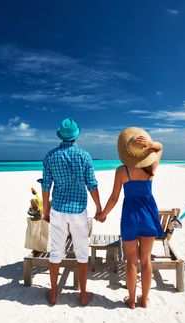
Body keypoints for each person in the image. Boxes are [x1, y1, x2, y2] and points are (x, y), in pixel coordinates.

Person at [96, 127, 163, 309]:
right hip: (148, 216)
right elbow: (160, 148)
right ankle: (144, 300)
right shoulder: (150, 168)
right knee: (146, 260)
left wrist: (103, 214)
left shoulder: (122, 171)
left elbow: (114, 198)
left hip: (130, 218)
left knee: (131, 261)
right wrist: (151, 145)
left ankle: (132, 300)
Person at [42, 118, 102, 306]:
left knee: (56, 251)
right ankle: (83, 295)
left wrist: (45, 209)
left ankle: (53, 294)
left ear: (61, 135)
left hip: (58, 209)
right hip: (78, 211)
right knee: (82, 252)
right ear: (76, 136)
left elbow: (46, 185)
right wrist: (99, 208)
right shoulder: (84, 156)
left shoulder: (50, 156)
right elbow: (91, 184)